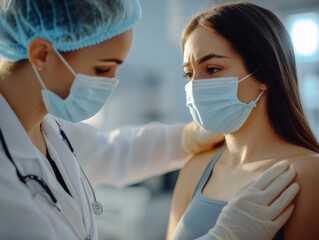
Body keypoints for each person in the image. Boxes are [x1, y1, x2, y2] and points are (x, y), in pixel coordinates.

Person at [0, 0, 298, 239]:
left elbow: (112, 152)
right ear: (41, 53)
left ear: (265, 75)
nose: (112, 82)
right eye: (103, 70)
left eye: (212, 70)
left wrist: (187, 138)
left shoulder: (49, 129)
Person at [167, 2, 319, 240]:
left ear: (264, 74)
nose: (195, 86)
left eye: (213, 68)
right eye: (189, 73)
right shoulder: (196, 167)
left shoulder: (308, 174)